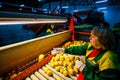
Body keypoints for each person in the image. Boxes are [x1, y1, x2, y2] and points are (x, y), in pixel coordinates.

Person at [52, 26, 120, 80]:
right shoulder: (92, 46)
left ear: (102, 39)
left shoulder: (109, 59)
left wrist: (84, 69)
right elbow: (79, 49)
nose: (89, 38)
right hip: (86, 75)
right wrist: (64, 50)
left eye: (93, 37)